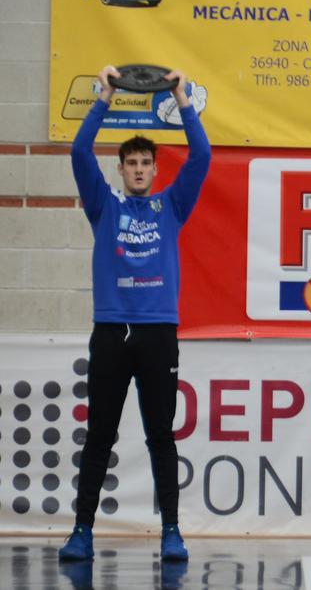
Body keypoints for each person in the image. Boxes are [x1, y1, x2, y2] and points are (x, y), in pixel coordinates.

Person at [59, 66, 211, 561]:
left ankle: (172, 531)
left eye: (147, 162)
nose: (141, 169)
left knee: (160, 435)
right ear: (121, 170)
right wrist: (104, 97)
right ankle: (81, 531)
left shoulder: (172, 206)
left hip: (158, 335)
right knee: (100, 433)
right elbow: (80, 152)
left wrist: (182, 100)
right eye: (133, 164)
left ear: (154, 169)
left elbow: (203, 156)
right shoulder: (103, 207)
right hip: (110, 332)